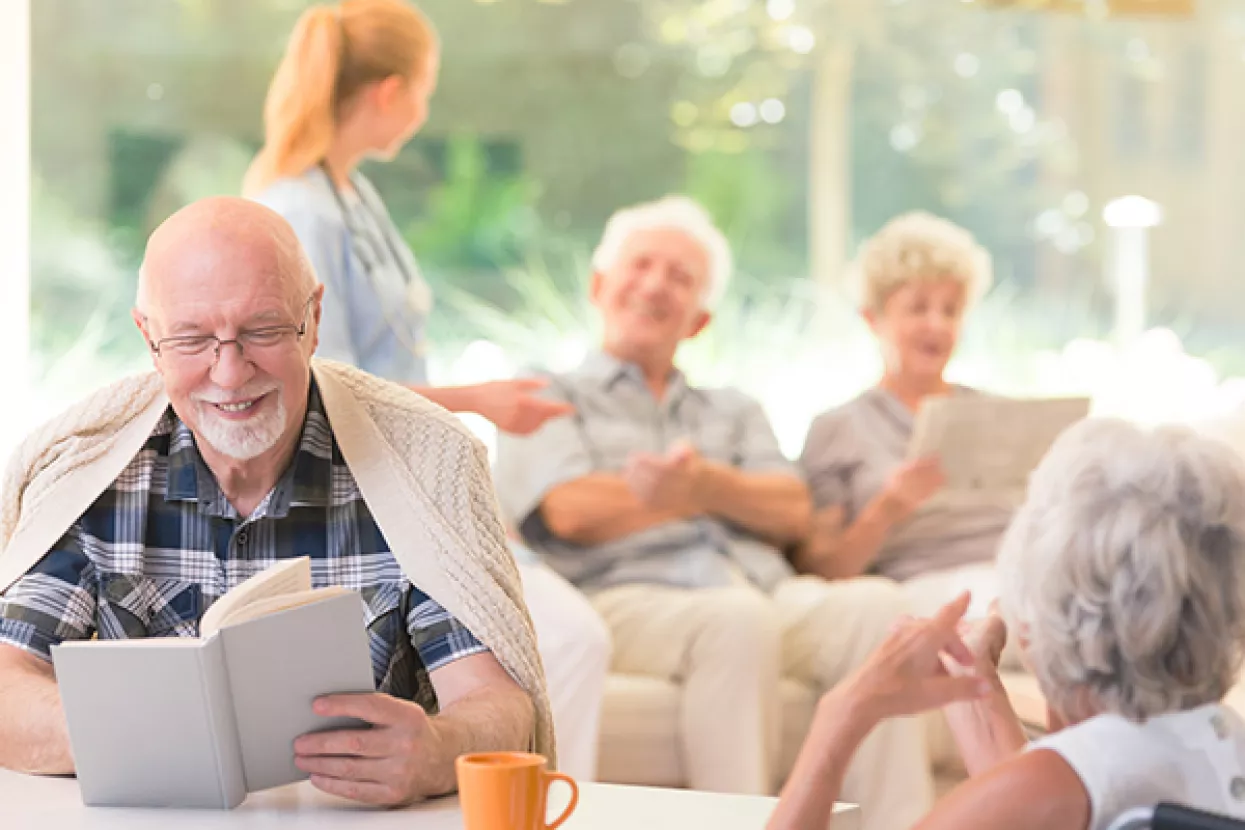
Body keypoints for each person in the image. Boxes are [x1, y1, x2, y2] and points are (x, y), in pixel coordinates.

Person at [0, 198, 552, 806]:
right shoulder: (87, 467)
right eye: (191, 338)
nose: (230, 374)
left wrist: (437, 751)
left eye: (262, 330)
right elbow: (7, 689)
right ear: (147, 336)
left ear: (312, 320)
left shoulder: (423, 463)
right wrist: (135, 732)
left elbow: (498, 703)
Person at [243, 0, 608, 779]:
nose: (424, 109)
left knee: (571, 635)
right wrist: (481, 402)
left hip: (411, 473)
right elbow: (327, 390)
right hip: (362, 494)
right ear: (387, 91)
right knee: (572, 639)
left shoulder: (351, 195)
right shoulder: (301, 210)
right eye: (425, 88)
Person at [494, 195, 933, 830]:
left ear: (699, 319)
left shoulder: (732, 408)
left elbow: (792, 510)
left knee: (883, 609)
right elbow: (569, 509)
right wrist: (714, 493)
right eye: (641, 265)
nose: (655, 285)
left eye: (680, 278)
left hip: (760, 588)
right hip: (628, 594)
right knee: (735, 621)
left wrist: (698, 486)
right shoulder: (545, 391)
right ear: (599, 285)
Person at [770, 418, 1245, 830]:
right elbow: (1054, 789)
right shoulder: (1220, 743)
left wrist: (840, 718)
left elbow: (1039, 792)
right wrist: (973, 686)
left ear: (1043, 623)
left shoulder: (1054, 787)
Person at [796, 211, 1011, 617]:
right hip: (928, 589)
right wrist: (887, 508)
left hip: (1016, 574)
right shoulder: (838, 428)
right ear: (872, 319)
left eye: (951, 310)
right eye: (917, 308)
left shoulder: (995, 414)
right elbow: (821, 571)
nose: (936, 325)